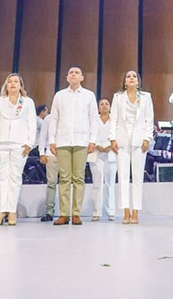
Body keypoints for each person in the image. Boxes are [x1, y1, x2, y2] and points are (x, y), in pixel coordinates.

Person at [48, 66, 100, 226]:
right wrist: (52, 140)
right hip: (63, 140)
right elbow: (54, 118)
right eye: (70, 72)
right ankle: (64, 213)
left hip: (81, 140)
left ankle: (76, 213)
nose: (73, 74)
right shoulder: (60, 95)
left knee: (79, 178)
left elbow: (93, 119)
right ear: (67, 77)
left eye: (77, 72)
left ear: (82, 77)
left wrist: (93, 140)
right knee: (64, 178)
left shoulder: (89, 96)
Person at [0, 73, 37, 226]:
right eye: (10, 82)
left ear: (21, 85)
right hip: (0, 144)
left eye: (16, 82)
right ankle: (1, 211)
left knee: (14, 178)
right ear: (6, 86)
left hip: (19, 145)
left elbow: (31, 124)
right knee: (1, 178)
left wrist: (29, 143)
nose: (13, 84)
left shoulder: (27, 102)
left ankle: (12, 211)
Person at [111, 70, 154, 224]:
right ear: (124, 82)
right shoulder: (118, 97)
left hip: (139, 140)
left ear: (138, 81)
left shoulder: (146, 97)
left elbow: (149, 119)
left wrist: (147, 138)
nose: (131, 78)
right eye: (128, 76)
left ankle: (136, 211)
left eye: (134, 76)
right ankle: (126, 211)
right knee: (122, 177)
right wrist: (112, 138)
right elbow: (113, 118)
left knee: (137, 178)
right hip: (122, 140)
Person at [90, 98, 118, 221]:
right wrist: (96, 145)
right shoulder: (93, 120)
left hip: (111, 152)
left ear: (110, 107)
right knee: (97, 183)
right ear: (98, 107)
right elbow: (89, 133)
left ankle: (110, 211)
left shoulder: (115, 120)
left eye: (107, 104)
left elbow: (118, 134)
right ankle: (96, 212)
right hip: (96, 152)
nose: (104, 106)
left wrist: (110, 145)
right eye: (101, 104)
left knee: (110, 183)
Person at [36, 104, 59, 221]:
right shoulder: (49, 119)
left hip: (68, 153)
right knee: (51, 183)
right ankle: (49, 211)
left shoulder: (70, 117)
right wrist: (41, 152)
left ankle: (67, 212)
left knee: (68, 183)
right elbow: (42, 136)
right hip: (51, 154)